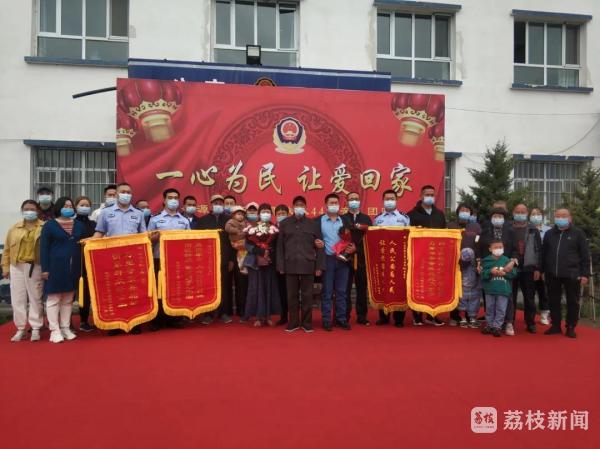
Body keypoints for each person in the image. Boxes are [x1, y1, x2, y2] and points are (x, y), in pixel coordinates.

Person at [93, 182, 146, 335]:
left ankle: (135, 322)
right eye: (123, 191)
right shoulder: (105, 213)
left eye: (128, 192)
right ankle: (116, 324)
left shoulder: (138, 214)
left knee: (133, 290)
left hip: (132, 258)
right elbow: (99, 233)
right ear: (116, 194)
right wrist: (89, 243)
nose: (126, 194)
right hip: (112, 257)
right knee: (116, 290)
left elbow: (143, 235)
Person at [40, 197, 86, 343]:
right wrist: (45, 269)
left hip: (74, 268)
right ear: (59, 207)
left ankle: (65, 328)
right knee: (54, 299)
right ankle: (54, 330)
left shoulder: (79, 225)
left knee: (68, 299)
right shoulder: (49, 225)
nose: (68, 208)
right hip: (55, 267)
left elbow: (85, 244)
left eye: (71, 206)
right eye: (65, 206)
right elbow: (44, 248)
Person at [276, 195, 325, 332]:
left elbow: (320, 246)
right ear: (293, 207)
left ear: (305, 207)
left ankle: (307, 323)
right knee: (291, 296)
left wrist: (319, 266)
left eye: (302, 205)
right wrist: (280, 265)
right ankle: (293, 322)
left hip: (308, 264)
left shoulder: (313, 224)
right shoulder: (285, 223)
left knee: (307, 296)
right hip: (290, 264)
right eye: (297, 205)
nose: (299, 207)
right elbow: (280, 247)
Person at [542, 208, 590, 338]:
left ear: (570, 218)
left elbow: (585, 255)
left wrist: (585, 274)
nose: (560, 218)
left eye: (563, 216)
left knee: (572, 301)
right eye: (558, 216)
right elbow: (544, 254)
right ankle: (556, 325)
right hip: (552, 273)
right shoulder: (549, 234)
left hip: (572, 273)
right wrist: (542, 270)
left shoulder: (578, 233)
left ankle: (570, 326)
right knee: (553, 300)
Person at [2, 200, 45, 342]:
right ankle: (20, 328)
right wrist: (5, 267)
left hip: (35, 266)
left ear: (37, 211)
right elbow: (7, 250)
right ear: (22, 210)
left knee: (35, 297)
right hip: (16, 266)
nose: (29, 211)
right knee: (18, 298)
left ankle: (36, 328)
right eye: (26, 209)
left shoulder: (44, 227)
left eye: (32, 209)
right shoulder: (14, 228)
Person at [147, 188, 190, 331]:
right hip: (159, 258)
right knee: (159, 290)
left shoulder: (184, 220)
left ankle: (175, 319)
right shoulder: (155, 219)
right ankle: (157, 320)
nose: (173, 200)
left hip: (177, 261)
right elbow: (147, 240)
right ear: (164, 200)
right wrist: (156, 236)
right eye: (170, 197)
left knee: (176, 289)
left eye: (176, 198)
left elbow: (189, 240)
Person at [407, 185, 446, 326]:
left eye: (432, 195)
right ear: (421, 196)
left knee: (434, 286)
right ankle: (417, 314)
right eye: (427, 194)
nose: (430, 197)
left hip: (435, 255)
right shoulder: (412, 214)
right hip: (419, 256)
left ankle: (432, 314)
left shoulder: (439, 214)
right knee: (419, 285)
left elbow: (445, 233)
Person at [194, 194, 234, 324]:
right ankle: (208, 314)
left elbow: (232, 242)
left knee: (224, 286)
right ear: (211, 205)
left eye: (220, 203)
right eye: (215, 203)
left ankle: (223, 313)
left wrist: (231, 260)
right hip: (207, 260)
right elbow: (198, 240)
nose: (218, 205)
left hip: (224, 259)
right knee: (208, 286)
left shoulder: (229, 220)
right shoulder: (203, 220)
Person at [374, 189, 410, 327]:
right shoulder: (378, 219)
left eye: (392, 198)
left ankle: (399, 318)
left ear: (396, 200)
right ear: (383, 201)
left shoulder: (404, 218)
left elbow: (409, 236)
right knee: (384, 285)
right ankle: (384, 316)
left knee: (399, 286)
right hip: (382, 257)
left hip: (399, 258)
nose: (389, 201)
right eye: (387, 198)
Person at [319, 193, 355, 331]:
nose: (334, 205)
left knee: (341, 291)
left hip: (343, 260)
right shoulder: (319, 221)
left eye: (336, 203)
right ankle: (326, 320)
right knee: (327, 292)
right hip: (327, 259)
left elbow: (353, 238)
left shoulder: (345, 220)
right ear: (326, 205)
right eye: (331, 203)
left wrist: (353, 247)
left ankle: (341, 319)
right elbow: (313, 238)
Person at [242, 203, 281, 326]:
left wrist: (269, 251)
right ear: (259, 214)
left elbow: (278, 245)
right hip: (255, 263)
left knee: (269, 288)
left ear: (271, 214)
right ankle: (258, 317)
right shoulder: (252, 227)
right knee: (256, 288)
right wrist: (258, 250)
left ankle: (268, 316)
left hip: (269, 262)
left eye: (268, 212)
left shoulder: (274, 228)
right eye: (263, 212)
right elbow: (246, 244)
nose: (265, 214)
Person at [506, 203, 542, 335]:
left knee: (529, 297)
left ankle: (530, 323)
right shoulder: (508, 228)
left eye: (523, 212)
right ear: (513, 213)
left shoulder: (533, 229)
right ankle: (509, 321)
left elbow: (539, 250)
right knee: (510, 296)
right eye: (517, 212)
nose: (520, 214)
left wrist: (538, 268)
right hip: (511, 266)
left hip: (528, 267)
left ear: (527, 214)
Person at [447, 203, 482, 325]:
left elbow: (478, 242)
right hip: (454, 262)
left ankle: (469, 316)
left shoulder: (476, 227)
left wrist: (478, 259)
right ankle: (454, 316)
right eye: (462, 210)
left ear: (470, 213)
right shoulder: (451, 225)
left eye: (467, 210)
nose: (465, 212)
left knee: (470, 290)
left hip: (471, 263)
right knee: (455, 290)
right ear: (458, 212)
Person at [343, 192, 372, 326]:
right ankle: (345, 315)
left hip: (362, 258)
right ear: (346, 201)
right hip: (346, 258)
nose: (354, 201)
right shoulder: (343, 218)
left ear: (359, 201)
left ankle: (362, 316)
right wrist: (348, 248)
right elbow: (340, 237)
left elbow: (369, 238)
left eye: (356, 198)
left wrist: (358, 248)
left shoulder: (366, 218)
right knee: (345, 288)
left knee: (361, 288)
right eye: (351, 199)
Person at [481, 240, 517, 337]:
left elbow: (513, 274)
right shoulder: (486, 261)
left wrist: (505, 273)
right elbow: (482, 275)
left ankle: (497, 326)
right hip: (490, 290)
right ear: (490, 249)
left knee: (501, 309)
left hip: (503, 290)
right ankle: (489, 325)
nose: (498, 249)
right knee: (489, 308)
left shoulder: (507, 260)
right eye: (496, 247)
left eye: (500, 247)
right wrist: (490, 272)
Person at [74, 196, 96, 332]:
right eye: (81, 205)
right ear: (76, 206)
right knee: (70, 294)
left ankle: (84, 321)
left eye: (87, 205)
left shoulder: (93, 224)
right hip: (75, 261)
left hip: (90, 262)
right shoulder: (71, 223)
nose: (84, 207)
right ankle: (66, 323)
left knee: (87, 293)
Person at [529, 207, 551, 325]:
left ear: (542, 216)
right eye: (533, 214)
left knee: (543, 291)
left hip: (544, 265)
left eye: (538, 214)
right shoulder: (527, 229)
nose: (535, 216)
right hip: (530, 265)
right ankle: (530, 316)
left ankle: (544, 314)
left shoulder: (548, 230)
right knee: (530, 292)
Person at [457, 248, 481, 328]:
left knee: (467, 304)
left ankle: (468, 319)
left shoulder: (475, 265)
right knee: (468, 304)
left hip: (470, 289)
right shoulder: (459, 266)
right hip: (466, 289)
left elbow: (479, 274)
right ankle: (467, 319)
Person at [274, 204, 290, 325]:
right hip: (276, 264)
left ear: (288, 214)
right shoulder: (271, 228)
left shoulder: (292, 227)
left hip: (291, 263)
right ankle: (283, 316)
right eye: (279, 214)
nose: (281, 216)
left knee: (291, 292)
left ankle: (293, 316)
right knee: (281, 291)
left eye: (283, 213)